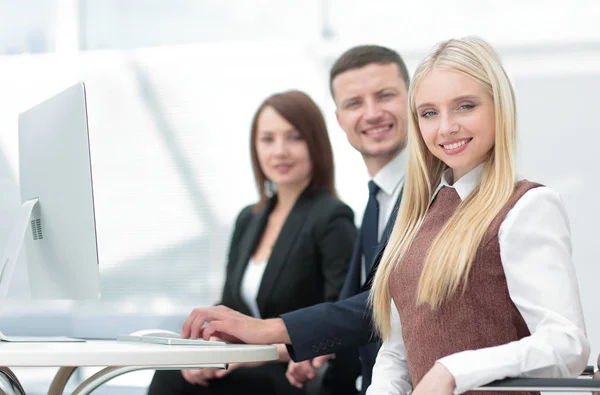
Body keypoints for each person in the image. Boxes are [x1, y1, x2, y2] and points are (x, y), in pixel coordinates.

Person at [180, 45, 411, 395]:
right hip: (336, 373)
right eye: (354, 103)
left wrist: (271, 338)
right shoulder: (374, 201)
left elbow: (373, 310)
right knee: (175, 372)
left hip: (317, 378)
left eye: (385, 96)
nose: (372, 113)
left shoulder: (341, 213)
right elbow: (358, 308)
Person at [368, 36, 590, 395]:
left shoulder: (527, 206)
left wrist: (454, 371)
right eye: (429, 113)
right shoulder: (417, 217)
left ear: (498, 107)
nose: (445, 127)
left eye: (465, 106)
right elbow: (397, 352)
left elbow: (567, 345)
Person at [147, 90, 357, 395]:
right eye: (268, 139)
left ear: (316, 144)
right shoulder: (250, 218)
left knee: (172, 382)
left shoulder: (331, 217)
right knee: (178, 370)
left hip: (292, 374)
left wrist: (250, 357)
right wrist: (203, 351)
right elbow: (230, 305)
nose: (279, 151)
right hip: (242, 367)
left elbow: (340, 322)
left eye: (294, 137)